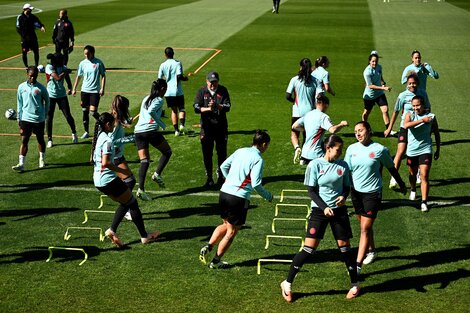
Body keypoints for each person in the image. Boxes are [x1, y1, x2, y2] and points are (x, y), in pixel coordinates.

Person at [280, 135, 360, 302]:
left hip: (339, 211)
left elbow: (347, 187)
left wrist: (343, 197)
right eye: (338, 149)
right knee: (309, 249)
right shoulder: (315, 165)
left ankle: (354, 284)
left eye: (341, 150)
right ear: (328, 148)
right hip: (319, 211)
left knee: (345, 248)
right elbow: (311, 191)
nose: (340, 152)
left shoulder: (343, 165)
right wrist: (324, 208)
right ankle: (287, 283)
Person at [199, 130, 273, 269]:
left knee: (227, 225)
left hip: (224, 193)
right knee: (231, 231)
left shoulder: (240, 151)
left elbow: (223, 166)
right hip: (238, 198)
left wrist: (229, 180)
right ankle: (216, 261)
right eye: (267, 145)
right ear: (263, 144)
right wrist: (268, 196)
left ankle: (208, 247)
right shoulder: (258, 159)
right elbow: (256, 184)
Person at [344, 122, 406, 273]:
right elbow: (346, 171)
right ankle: (371, 250)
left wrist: (401, 184)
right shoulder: (351, 149)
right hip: (356, 192)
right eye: (355, 131)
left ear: (369, 131)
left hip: (372, 193)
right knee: (364, 225)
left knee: (365, 228)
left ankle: (357, 266)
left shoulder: (379, 150)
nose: (358, 134)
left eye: (361, 130)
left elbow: (391, 168)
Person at [91, 112, 160, 247]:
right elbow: (106, 163)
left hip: (98, 181)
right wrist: (123, 171)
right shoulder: (107, 140)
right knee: (133, 204)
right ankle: (144, 236)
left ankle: (112, 230)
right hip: (108, 180)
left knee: (126, 202)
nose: (114, 126)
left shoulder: (99, 136)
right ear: (107, 124)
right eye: (113, 124)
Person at [384, 73, 430, 189]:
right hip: (405, 127)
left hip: (419, 128)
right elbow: (396, 112)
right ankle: (394, 178)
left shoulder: (423, 93)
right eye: (410, 83)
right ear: (406, 84)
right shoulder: (402, 95)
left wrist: (428, 124)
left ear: (418, 83)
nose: (412, 85)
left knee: (420, 151)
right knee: (400, 152)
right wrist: (389, 128)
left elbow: (428, 108)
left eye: (414, 83)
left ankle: (419, 175)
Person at [134, 79, 172, 201]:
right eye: (165, 89)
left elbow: (147, 111)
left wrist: (160, 114)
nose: (166, 91)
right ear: (162, 89)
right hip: (150, 132)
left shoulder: (146, 98)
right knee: (167, 152)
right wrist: (161, 123)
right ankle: (157, 174)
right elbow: (151, 111)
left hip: (138, 132)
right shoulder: (159, 99)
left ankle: (141, 189)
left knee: (144, 161)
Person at [193, 71, 231, 187]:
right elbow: (196, 107)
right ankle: (209, 177)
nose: (213, 84)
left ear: (218, 81)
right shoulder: (201, 91)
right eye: (211, 82)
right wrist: (208, 109)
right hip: (207, 128)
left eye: (215, 82)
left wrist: (217, 106)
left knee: (222, 153)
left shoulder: (223, 90)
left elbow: (228, 106)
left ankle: (221, 176)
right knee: (207, 154)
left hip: (221, 128)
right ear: (206, 81)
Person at [403, 96, 440, 212]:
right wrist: (421, 120)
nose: (415, 108)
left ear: (423, 105)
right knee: (412, 173)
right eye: (413, 106)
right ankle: (413, 189)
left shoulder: (431, 117)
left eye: (417, 105)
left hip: (426, 149)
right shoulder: (409, 114)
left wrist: (438, 149)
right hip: (412, 150)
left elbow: (436, 133)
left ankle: (424, 202)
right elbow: (406, 125)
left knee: (424, 175)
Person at [292, 94, 348, 165]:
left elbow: (294, 126)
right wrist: (342, 124)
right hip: (316, 154)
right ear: (326, 105)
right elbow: (333, 130)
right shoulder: (323, 117)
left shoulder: (308, 114)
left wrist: (305, 129)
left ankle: (303, 160)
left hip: (304, 153)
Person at [12, 66, 49, 172]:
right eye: (31, 76)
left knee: (40, 139)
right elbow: (19, 102)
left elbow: (47, 102)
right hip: (25, 118)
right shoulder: (21, 87)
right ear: (27, 74)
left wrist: (45, 115)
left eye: (34, 76)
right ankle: (21, 164)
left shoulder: (41, 88)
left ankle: (42, 159)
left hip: (38, 119)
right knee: (24, 140)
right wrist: (19, 117)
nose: (32, 78)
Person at [286, 58, 317, 165]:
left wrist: (294, 101)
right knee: (307, 136)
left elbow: (287, 95)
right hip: (310, 113)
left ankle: (297, 148)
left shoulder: (294, 80)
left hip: (297, 112)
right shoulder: (315, 81)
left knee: (294, 133)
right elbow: (318, 97)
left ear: (300, 67)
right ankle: (304, 158)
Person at [72, 45, 106, 139]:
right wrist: (74, 88)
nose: (86, 56)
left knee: (93, 112)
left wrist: (102, 88)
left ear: (92, 53)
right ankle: (86, 131)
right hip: (84, 91)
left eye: (87, 54)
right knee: (85, 111)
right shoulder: (82, 63)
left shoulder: (98, 63)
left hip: (94, 91)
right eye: (84, 54)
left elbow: (103, 76)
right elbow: (79, 76)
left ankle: (103, 125)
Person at [44, 53, 78, 147]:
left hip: (62, 95)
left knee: (68, 115)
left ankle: (74, 133)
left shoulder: (63, 67)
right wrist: (66, 72)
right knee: (49, 117)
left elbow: (67, 77)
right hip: (50, 95)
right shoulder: (49, 67)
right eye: (62, 60)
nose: (64, 61)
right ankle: (50, 139)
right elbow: (58, 78)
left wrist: (70, 87)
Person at [158, 47, 189, 136]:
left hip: (168, 92)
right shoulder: (177, 63)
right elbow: (179, 76)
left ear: (165, 55)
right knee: (182, 108)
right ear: (173, 53)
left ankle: (176, 131)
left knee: (174, 111)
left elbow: (159, 79)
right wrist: (185, 78)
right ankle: (182, 125)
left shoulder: (162, 65)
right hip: (177, 91)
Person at [361, 51, 392, 133]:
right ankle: (364, 128)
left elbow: (380, 75)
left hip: (379, 94)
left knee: (385, 110)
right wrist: (383, 88)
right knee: (366, 113)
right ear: (369, 61)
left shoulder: (379, 67)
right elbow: (370, 86)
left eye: (376, 61)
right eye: (373, 61)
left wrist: (383, 82)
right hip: (370, 95)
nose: (375, 63)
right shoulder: (367, 72)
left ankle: (388, 129)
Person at [16, 3, 45, 68]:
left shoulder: (32, 16)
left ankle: (36, 65)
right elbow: (18, 28)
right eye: (30, 9)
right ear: (25, 9)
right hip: (25, 39)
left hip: (33, 37)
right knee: (24, 53)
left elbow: (38, 22)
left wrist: (41, 26)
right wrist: (23, 35)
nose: (31, 11)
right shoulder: (20, 17)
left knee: (36, 52)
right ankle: (26, 66)